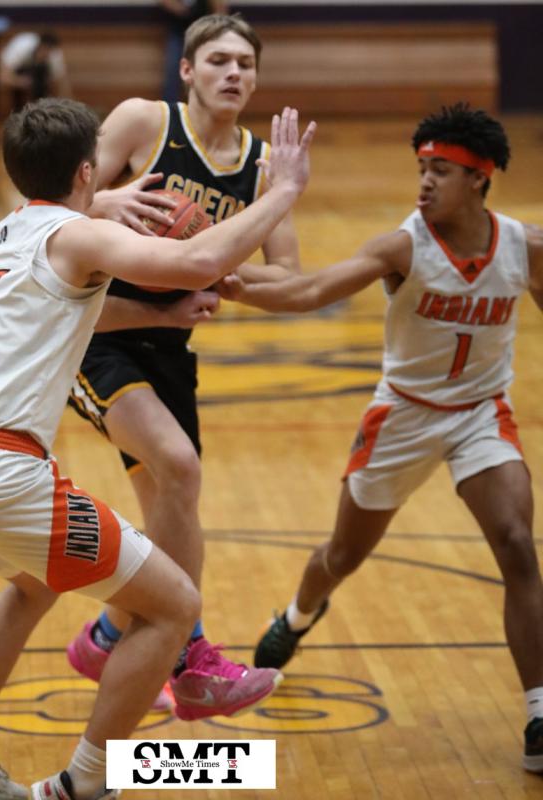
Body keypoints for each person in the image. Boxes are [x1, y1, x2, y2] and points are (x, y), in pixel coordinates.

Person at [0, 97, 314, 800]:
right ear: (89, 170)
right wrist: (285, 191)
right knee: (172, 606)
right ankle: (86, 784)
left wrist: (158, 314)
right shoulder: (79, 233)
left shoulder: (2, 235)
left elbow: (78, 306)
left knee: (32, 583)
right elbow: (200, 259)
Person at [216, 103, 543, 773]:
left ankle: (540, 715)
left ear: (479, 179)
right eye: (421, 169)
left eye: (441, 172)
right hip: (403, 415)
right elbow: (310, 292)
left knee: (516, 542)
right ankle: (300, 613)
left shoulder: (525, 246)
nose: (424, 183)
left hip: (482, 412)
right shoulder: (403, 245)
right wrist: (226, 283)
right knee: (341, 555)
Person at [65, 13, 305, 719]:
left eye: (246, 64)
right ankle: (193, 660)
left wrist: (231, 276)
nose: (235, 73)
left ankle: (108, 634)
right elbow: (49, 207)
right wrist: (105, 201)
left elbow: (286, 275)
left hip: (169, 347)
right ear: (187, 71)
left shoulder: (261, 163)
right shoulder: (144, 121)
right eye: (220, 60)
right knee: (182, 468)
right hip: (96, 333)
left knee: (172, 504)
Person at [158, 1, 228, 102]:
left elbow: (220, 7)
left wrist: (218, 29)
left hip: (204, 32)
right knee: (173, 73)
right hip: (179, 31)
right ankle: (170, 110)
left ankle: (209, 105)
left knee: (207, 70)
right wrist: (185, 11)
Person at [0, 30, 70, 111]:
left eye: (48, 53)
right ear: (39, 46)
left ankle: (41, 110)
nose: (45, 55)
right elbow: (3, 77)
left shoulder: (55, 56)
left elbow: (62, 84)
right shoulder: (20, 48)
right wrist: (19, 82)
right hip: (19, 75)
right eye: (43, 51)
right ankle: (18, 112)